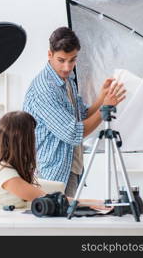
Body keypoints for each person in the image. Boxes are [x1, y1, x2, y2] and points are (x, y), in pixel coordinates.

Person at [23, 27, 126, 197]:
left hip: (72, 168)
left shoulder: (68, 80)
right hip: (51, 173)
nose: (67, 67)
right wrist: (105, 109)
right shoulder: (45, 89)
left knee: (69, 221)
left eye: (72, 60)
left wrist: (102, 97)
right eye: (61, 60)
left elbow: (81, 115)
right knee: (58, 222)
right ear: (50, 55)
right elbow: (73, 132)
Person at [0, 111, 104, 209]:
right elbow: (49, 198)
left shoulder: (5, 166)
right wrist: (95, 203)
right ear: (21, 140)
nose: (34, 139)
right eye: (32, 134)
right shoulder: (4, 171)